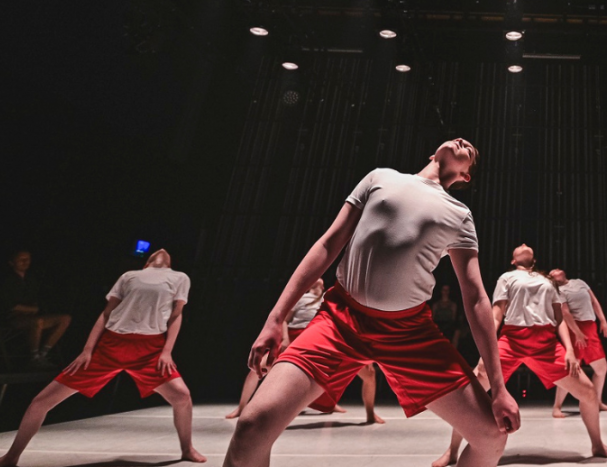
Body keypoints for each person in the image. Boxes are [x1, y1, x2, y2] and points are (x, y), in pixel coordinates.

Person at [222, 139, 519, 467]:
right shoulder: (381, 177)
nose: (464, 142)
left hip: (410, 333)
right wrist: (276, 318)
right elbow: (328, 243)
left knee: (492, 436)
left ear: (465, 176)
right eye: (460, 141)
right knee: (251, 427)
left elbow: (475, 297)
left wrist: (500, 388)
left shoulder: (459, 214)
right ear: (433, 153)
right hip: (339, 320)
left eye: (471, 153)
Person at [0, 249, 204, 467]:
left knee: (182, 397)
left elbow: (177, 315)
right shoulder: (129, 276)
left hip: (149, 350)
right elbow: (106, 313)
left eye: (165, 254)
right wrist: (87, 349)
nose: (161, 251)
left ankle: (187, 449)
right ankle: (11, 457)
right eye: (154, 254)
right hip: (111, 346)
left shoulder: (179, 277)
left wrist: (166, 351)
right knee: (41, 401)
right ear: (146, 264)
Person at [435, 245, 607, 466]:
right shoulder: (507, 277)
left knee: (589, 392)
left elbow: (560, 319)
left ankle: (597, 444)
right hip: (511, 340)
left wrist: (570, 350)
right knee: (472, 393)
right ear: (513, 260)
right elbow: (496, 316)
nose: (523, 245)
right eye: (518, 247)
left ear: (533, 260)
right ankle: (452, 451)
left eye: (526, 247)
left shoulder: (547, 281)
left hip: (546, 345)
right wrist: (485, 353)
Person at [225, 278, 383, 421]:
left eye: (321, 279)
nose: (319, 279)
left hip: (324, 338)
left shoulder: (330, 297)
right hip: (297, 337)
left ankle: (368, 414)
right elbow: (284, 321)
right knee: (258, 366)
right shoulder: (300, 298)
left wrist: (361, 350)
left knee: (369, 373)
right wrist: (285, 339)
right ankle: (241, 407)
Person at [548, 268, 607, 416]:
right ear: (551, 278)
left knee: (601, 368)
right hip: (576, 328)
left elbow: (594, 301)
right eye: (552, 272)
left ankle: (597, 402)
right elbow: (565, 313)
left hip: (590, 326)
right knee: (571, 369)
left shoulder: (579, 282)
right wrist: (577, 332)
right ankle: (556, 407)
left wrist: (603, 321)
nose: (557, 270)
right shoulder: (558, 291)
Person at [0, 250, 72, 368]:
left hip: (32, 316)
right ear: (12, 262)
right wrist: (30, 309)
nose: (25, 262)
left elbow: (38, 301)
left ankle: (43, 354)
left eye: (28, 259)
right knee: (37, 322)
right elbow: (9, 306)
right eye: (21, 259)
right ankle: (34, 357)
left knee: (65, 318)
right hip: (13, 318)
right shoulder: (6, 280)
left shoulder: (31, 279)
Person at [432, 284, 465, 350]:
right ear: (441, 291)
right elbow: (432, 318)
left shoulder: (452, 305)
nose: (445, 292)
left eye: (447, 290)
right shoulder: (436, 305)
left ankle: (452, 352)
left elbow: (453, 318)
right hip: (438, 325)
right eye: (444, 290)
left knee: (456, 332)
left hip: (449, 325)